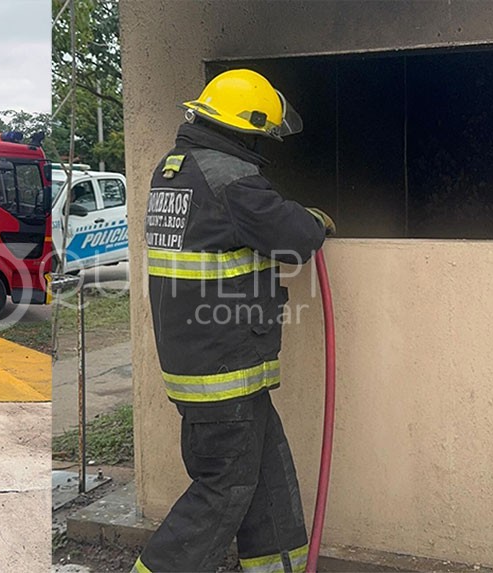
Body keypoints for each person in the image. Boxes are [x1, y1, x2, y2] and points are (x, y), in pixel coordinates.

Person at [133, 69, 336, 573]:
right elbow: (296, 237)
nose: (265, 146)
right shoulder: (230, 179)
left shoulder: (172, 170)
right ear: (247, 129)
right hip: (223, 375)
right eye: (263, 136)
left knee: (268, 489)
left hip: (211, 368)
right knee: (223, 493)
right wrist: (314, 220)